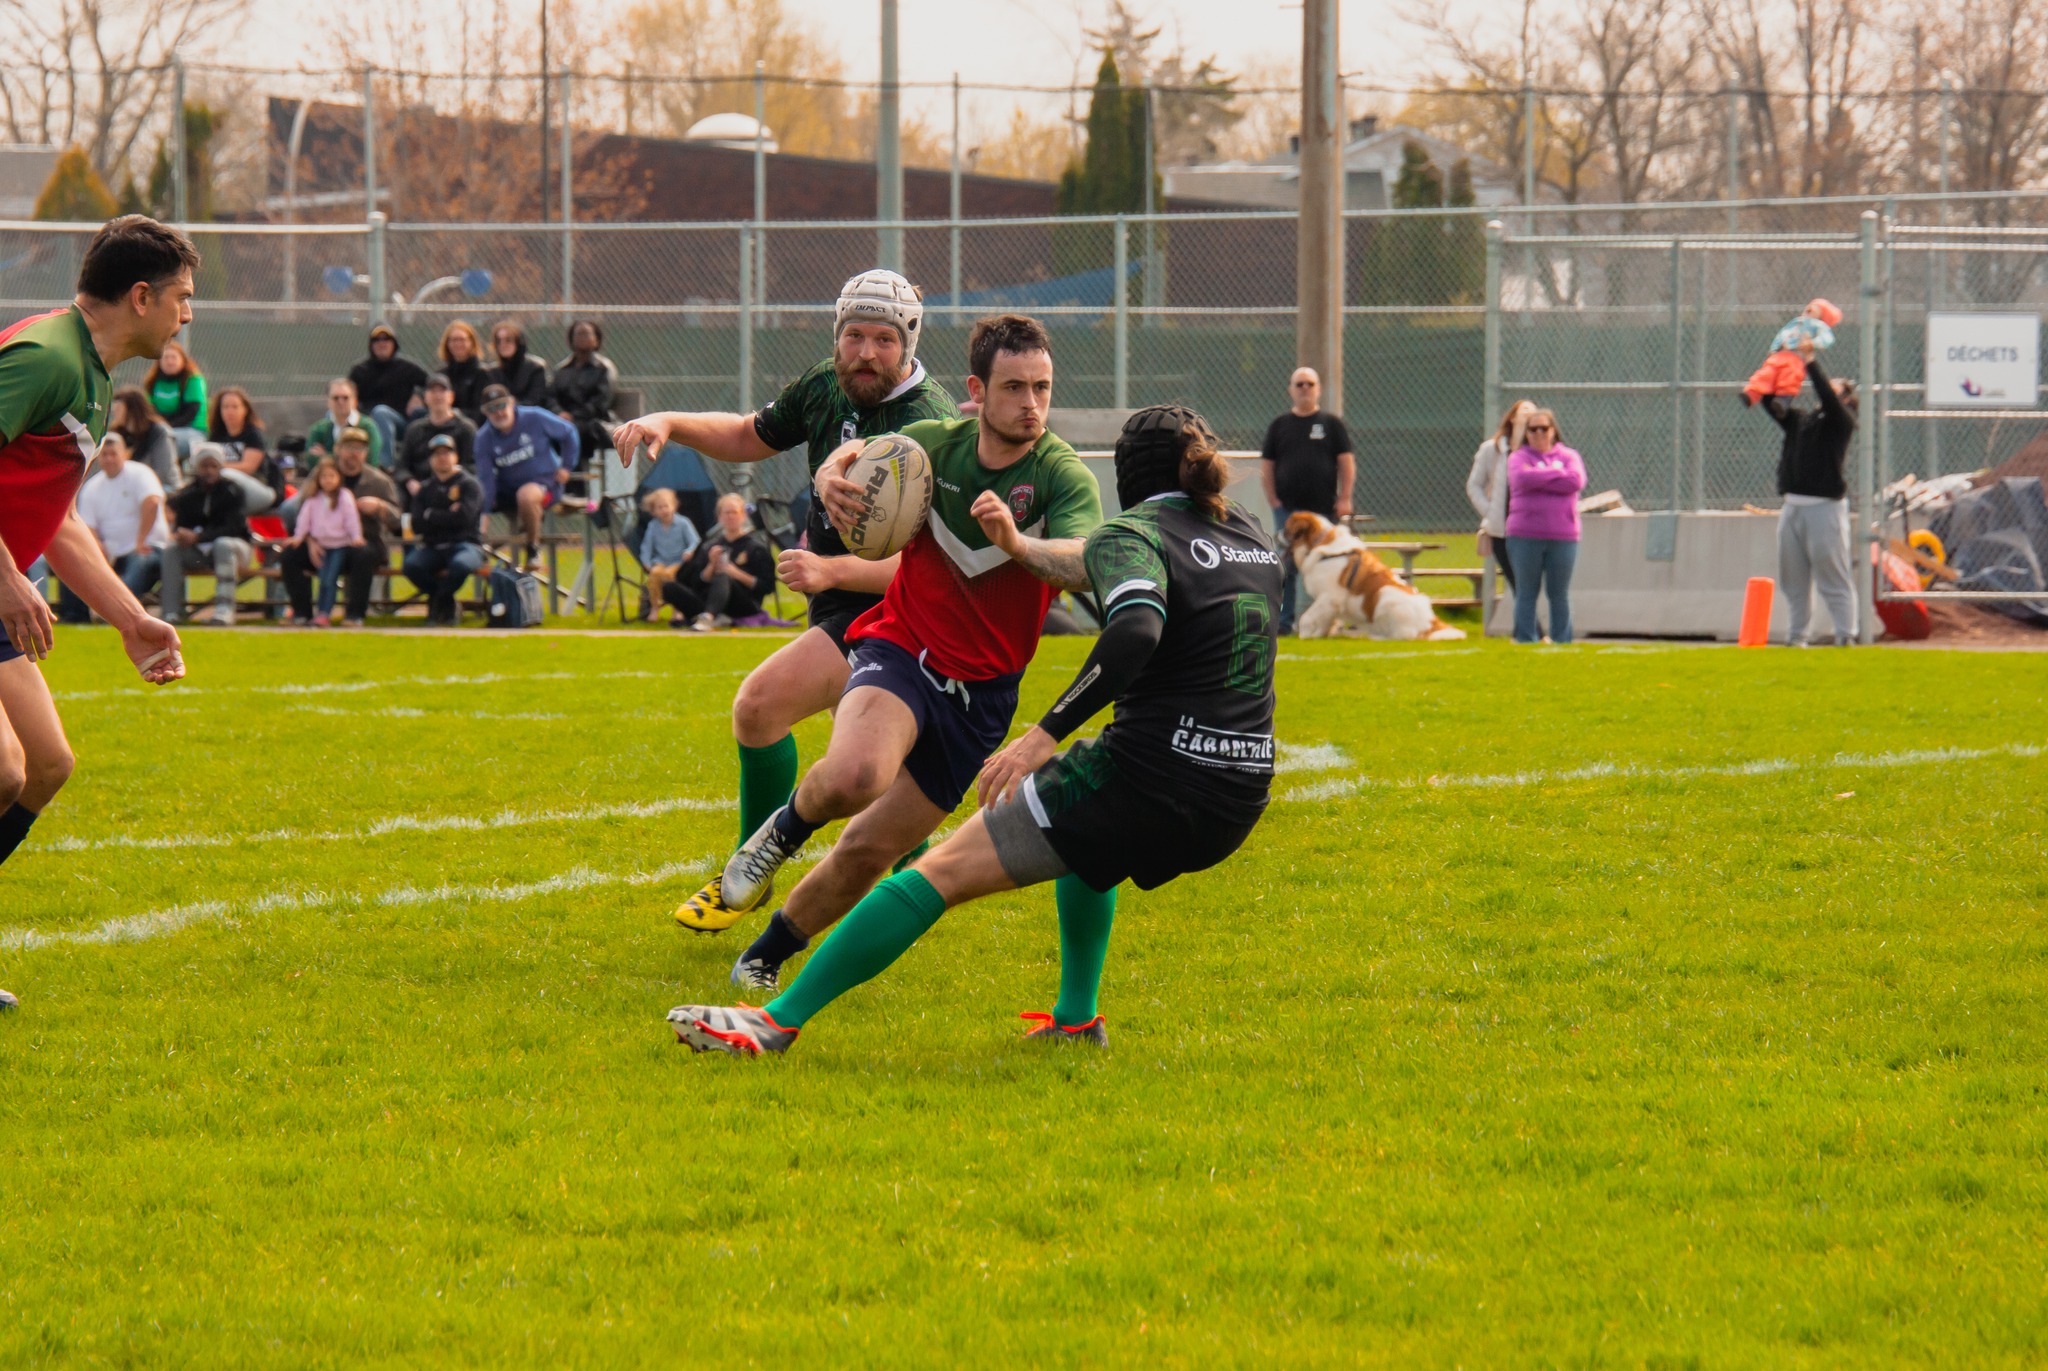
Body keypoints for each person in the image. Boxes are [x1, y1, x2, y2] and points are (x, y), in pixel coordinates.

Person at [666, 404, 1277, 1056]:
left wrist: (1044, 732)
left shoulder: (1135, 530)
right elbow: (1084, 568)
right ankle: (1076, 1018)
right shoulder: (1247, 533)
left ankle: (775, 1020)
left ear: (1126, 479)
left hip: (1149, 773)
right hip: (1239, 793)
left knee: (935, 873)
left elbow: (1134, 628)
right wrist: (1018, 546)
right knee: (1089, 840)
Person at [707, 314, 1102, 996]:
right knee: (859, 772)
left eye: (1042, 387)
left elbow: (1082, 562)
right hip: (901, 646)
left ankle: (768, 950)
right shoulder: (927, 448)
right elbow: (847, 454)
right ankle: (784, 829)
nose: (1031, 404)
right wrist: (832, 476)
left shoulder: (1061, 474)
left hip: (983, 695)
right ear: (976, 390)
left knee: (870, 850)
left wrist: (1019, 546)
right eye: (1014, 388)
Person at [611, 269, 957, 932]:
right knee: (868, 762)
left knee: (761, 704)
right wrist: (669, 421)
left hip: (897, 612)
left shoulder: (929, 425)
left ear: (909, 342)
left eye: (883, 339)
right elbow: (748, 433)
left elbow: (932, 568)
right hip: (838, 598)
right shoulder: (828, 384)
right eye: (853, 334)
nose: (864, 351)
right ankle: (907, 852)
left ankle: (752, 869)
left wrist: (831, 570)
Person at [0, 214, 191, 998]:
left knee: (46, 765)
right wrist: (9, 578)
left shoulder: (97, 377)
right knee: (3, 769)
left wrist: (130, 617)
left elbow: (63, 521)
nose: (187, 314)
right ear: (140, 296)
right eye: (182, 297)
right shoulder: (46, 355)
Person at [1765, 341, 1859, 646]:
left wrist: (1810, 362)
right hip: (1792, 507)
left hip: (1824, 509)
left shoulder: (1841, 422)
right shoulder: (1803, 421)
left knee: (1832, 575)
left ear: (1845, 397)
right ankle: (1797, 637)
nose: (1829, 386)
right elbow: (1771, 404)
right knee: (1793, 579)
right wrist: (1775, 365)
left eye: (1837, 386)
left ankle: (1846, 635)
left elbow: (1828, 400)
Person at [1260, 365, 1354, 635]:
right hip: (1288, 510)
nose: (1304, 389)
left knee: (1327, 564)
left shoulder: (1331, 424)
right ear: (1290, 390)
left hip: (1324, 510)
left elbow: (1346, 463)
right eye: (1299, 384)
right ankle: (1285, 622)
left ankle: (1325, 622)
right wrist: (1274, 500)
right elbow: (1267, 465)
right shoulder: (1280, 425)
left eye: (1309, 384)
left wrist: (1345, 497)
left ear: (1319, 390)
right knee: (1287, 566)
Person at [278, 427, 399, 627]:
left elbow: (397, 521)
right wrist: (309, 540)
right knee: (290, 555)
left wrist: (380, 507)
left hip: (360, 542)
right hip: (322, 542)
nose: (354, 453)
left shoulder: (378, 481)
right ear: (338, 449)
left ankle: (354, 615)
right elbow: (302, 510)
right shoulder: (323, 475)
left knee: (364, 554)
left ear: (366, 452)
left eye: (360, 448)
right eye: (349, 447)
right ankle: (302, 613)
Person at [61, 430, 168, 621]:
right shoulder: (93, 486)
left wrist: (140, 540)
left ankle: (117, 612)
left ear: (125, 454)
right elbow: (87, 524)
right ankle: (75, 615)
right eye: (105, 454)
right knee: (75, 559)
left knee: (139, 563)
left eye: (114, 454)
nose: (109, 459)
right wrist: (96, 547)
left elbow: (152, 502)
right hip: (112, 552)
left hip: (147, 548)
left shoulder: (140, 473)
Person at [1503, 408, 1585, 645]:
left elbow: (1575, 481)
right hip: (1524, 535)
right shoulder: (1518, 458)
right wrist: (1556, 474)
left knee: (1558, 593)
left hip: (1564, 536)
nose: (1539, 433)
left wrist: (1540, 476)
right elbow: (1521, 479)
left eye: (1544, 428)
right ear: (1526, 433)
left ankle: (1562, 639)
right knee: (1526, 592)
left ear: (1553, 431)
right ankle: (1526, 639)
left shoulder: (1569, 456)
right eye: (1533, 429)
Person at [475, 382, 577, 570]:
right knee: (473, 495)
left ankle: (533, 548)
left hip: (544, 483)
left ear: (512, 403)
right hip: (508, 491)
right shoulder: (483, 439)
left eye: (501, 405)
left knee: (526, 495)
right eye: (492, 409)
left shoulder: (534, 417)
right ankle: (478, 547)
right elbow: (486, 480)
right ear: (485, 412)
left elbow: (569, 432)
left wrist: (566, 466)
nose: (499, 413)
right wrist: (483, 521)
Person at [161, 447, 254, 625]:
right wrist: (182, 535)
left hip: (235, 549)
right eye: (204, 466)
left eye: (213, 466)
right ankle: (171, 612)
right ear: (197, 468)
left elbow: (234, 527)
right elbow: (182, 525)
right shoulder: (188, 494)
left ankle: (224, 609)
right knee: (172, 550)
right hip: (200, 551)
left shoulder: (233, 491)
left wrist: (200, 537)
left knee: (223, 544)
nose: (209, 471)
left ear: (220, 468)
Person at [402, 435, 486, 625]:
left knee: (461, 565)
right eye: (437, 454)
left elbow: (465, 518)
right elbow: (416, 524)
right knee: (411, 566)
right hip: (434, 546)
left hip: (466, 544)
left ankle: (437, 605)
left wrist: (431, 514)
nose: (442, 458)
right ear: (431, 460)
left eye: (446, 453)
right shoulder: (425, 489)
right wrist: (447, 514)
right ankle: (446, 602)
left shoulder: (469, 485)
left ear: (455, 456)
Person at [662, 492, 770, 630]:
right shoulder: (710, 546)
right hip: (709, 599)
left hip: (743, 603)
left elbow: (766, 586)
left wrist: (734, 573)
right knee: (669, 587)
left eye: (734, 512)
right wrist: (711, 565)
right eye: (726, 513)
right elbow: (696, 583)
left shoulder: (755, 548)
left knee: (723, 575)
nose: (730, 516)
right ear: (719, 517)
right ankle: (714, 615)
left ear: (743, 515)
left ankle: (708, 618)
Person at [1466, 398, 1535, 592]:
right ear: (1513, 417)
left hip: (1529, 530)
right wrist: (1490, 511)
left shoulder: (1536, 452)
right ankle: (1532, 623)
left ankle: (1530, 623)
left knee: (1527, 586)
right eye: (1525, 409)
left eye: (1533, 411)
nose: (1530, 413)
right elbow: (1474, 485)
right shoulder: (1492, 449)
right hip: (1501, 532)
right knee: (1519, 586)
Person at [289, 458, 363, 627]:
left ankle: (325, 613)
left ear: (338, 477)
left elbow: (352, 518)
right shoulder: (313, 499)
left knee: (331, 579)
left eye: (331, 476)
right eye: (324, 476)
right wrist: (299, 537)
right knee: (323, 579)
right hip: (321, 546)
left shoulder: (345, 497)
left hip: (339, 546)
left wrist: (356, 536)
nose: (328, 480)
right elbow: (303, 520)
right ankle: (319, 612)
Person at [348, 323, 429, 457]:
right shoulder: (359, 370)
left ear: (394, 343)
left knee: (381, 412)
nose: (382, 343)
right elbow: (347, 392)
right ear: (371, 344)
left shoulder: (408, 368)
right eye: (377, 340)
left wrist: (419, 395)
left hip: (401, 424)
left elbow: (433, 383)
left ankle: (386, 465)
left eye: (386, 339)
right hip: (366, 422)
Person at [1744, 298, 1843, 407]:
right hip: (1780, 355)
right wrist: (1774, 348)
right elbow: (1782, 335)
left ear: (1822, 316)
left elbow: (1827, 339)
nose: (1810, 307)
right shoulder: (1796, 322)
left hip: (1796, 356)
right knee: (1766, 373)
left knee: (1790, 377)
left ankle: (1783, 401)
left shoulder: (1818, 325)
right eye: (1811, 305)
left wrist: (1813, 343)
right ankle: (1751, 394)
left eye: (1817, 307)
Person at [397, 373, 477, 494]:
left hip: (454, 487)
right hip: (419, 490)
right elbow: (402, 466)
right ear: (425, 397)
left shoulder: (466, 428)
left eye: (442, 391)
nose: (437, 396)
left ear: (451, 396)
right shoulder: (414, 429)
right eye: (432, 391)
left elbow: (472, 466)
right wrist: (410, 482)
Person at [550, 319, 616, 465]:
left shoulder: (603, 368)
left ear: (596, 340)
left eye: (586, 334)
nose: (582, 338)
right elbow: (551, 397)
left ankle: (575, 482)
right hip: (562, 421)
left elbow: (601, 402)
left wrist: (573, 416)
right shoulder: (561, 369)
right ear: (571, 340)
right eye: (578, 334)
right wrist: (559, 413)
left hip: (593, 423)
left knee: (572, 431)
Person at [206, 388, 279, 514]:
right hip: (227, 489)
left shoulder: (253, 435)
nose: (230, 411)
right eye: (225, 407)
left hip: (258, 489)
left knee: (226, 474)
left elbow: (248, 467)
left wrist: (219, 468)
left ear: (245, 410)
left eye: (235, 407)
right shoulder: (216, 436)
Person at [637, 485, 700, 622]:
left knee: (669, 575)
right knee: (655, 575)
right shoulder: (653, 526)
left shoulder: (683, 523)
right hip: (661, 560)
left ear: (674, 506)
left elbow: (694, 540)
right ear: (654, 511)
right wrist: (646, 562)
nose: (664, 510)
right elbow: (646, 546)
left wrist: (689, 551)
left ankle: (677, 609)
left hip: (679, 561)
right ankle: (655, 607)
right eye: (660, 507)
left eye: (666, 506)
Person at [306, 377, 388, 471]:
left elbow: (371, 461)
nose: (341, 402)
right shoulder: (319, 429)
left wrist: (326, 456)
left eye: (345, 398)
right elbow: (312, 460)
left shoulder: (369, 427)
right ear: (328, 402)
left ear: (355, 401)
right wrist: (351, 457)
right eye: (335, 398)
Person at [143, 338, 207, 458]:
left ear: (183, 360)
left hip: (192, 430)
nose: (170, 361)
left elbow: (191, 412)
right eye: (166, 358)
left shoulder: (193, 380)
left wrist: (165, 427)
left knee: (163, 443)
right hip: (162, 430)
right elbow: (150, 411)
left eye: (174, 357)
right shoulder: (153, 382)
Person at [109, 385, 178, 487]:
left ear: (132, 409)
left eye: (119, 408)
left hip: (160, 486)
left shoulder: (158, 432)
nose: (114, 412)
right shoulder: (118, 434)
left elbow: (164, 470)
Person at [483, 320, 549, 408]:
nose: (503, 344)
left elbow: (535, 401)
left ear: (518, 342)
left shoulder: (535, 368)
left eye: (508, 340)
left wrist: (511, 405)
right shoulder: (492, 372)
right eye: (498, 341)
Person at [438, 320, 489, 422]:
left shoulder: (482, 373)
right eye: (453, 340)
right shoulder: (442, 374)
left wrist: (453, 414)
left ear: (472, 342)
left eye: (462, 339)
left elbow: (480, 411)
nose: (457, 344)